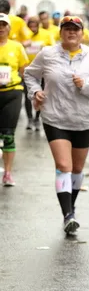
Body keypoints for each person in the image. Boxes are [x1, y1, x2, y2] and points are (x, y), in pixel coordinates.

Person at [24, 16, 89, 233]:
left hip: (83, 119)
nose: (71, 33)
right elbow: (30, 75)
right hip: (55, 117)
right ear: (60, 32)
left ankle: (70, 205)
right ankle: (68, 214)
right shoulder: (47, 54)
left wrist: (86, 84)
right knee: (64, 166)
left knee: (77, 169)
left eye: (76, 30)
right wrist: (35, 92)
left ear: (82, 33)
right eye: (67, 29)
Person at [0, 13, 29, 186]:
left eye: (4, 25)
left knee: (8, 134)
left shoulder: (16, 47)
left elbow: (24, 69)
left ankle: (8, 173)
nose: (1, 28)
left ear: (9, 28)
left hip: (12, 92)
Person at [24, 16, 54, 131]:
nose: (32, 28)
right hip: (28, 70)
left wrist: (43, 48)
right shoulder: (24, 35)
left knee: (41, 94)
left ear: (38, 25)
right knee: (27, 96)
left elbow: (52, 48)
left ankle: (37, 119)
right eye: (30, 26)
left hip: (42, 71)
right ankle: (30, 119)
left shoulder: (46, 34)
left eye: (34, 26)